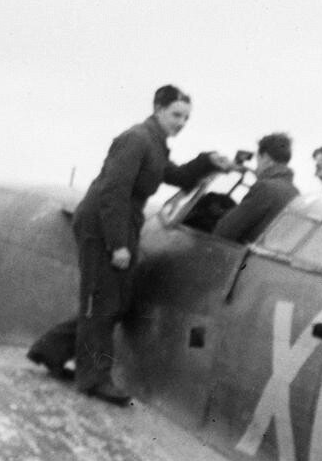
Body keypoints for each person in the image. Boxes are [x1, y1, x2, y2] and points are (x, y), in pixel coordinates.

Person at [27, 85, 232, 403]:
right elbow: (113, 193)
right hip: (104, 225)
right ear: (158, 108)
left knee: (116, 301)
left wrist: (207, 162)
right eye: (176, 115)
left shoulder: (155, 141)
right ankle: (93, 379)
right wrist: (117, 244)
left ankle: (50, 350)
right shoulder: (136, 139)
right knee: (103, 302)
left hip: (122, 223)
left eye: (186, 118)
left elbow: (174, 175)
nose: (181, 123)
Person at [211, 133, 300, 246]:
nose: (257, 166)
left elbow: (226, 230)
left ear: (266, 158)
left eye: (258, 159)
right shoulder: (295, 194)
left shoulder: (265, 187)